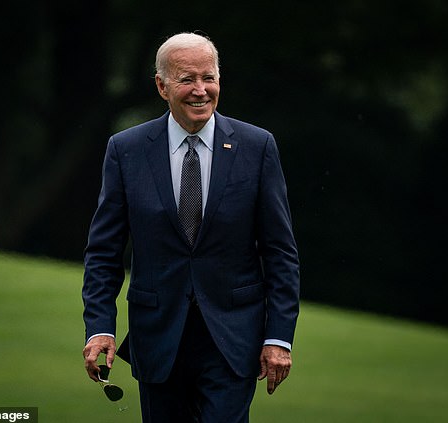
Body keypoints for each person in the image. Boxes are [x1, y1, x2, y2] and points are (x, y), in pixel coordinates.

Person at [82, 32, 300, 422]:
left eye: (209, 78)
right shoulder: (126, 150)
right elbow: (104, 252)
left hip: (233, 339)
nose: (201, 91)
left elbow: (280, 251)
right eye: (187, 80)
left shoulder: (257, 147)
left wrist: (278, 337)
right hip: (158, 337)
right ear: (162, 86)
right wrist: (100, 327)